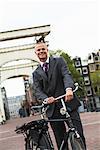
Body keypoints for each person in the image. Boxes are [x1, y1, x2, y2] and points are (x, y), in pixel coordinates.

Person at [32, 38, 86, 149]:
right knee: (60, 139)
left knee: (78, 134)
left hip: (68, 103)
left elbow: (66, 75)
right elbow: (37, 90)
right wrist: (46, 99)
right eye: (38, 50)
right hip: (52, 109)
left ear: (47, 50)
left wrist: (69, 89)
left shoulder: (59, 61)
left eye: (43, 49)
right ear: (35, 53)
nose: (41, 51)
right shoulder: (36, 73)